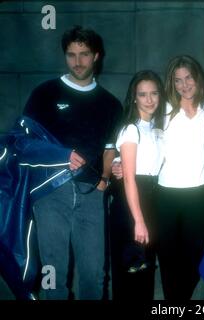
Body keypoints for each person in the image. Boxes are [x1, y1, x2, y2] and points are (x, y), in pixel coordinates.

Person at [23, 25, 123, 299]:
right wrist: (59, 155)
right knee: (53, 273)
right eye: (71, 55)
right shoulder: (44, 93)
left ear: (96, 56)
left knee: (94, 274)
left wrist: (104, 179)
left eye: (84, 54)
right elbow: (24, 142)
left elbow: (109, 148)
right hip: (51, 192)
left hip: (92, 195)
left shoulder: (110, 104)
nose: (78, 61)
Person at [156, 55, 204, 300]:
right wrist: (118, 162)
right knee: (169, 260)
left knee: (194, 261)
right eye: (177, 80)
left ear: (197, 78)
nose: (184, 84)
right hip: (167, 194)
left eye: (188, 77)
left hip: (199, 194)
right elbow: (144, 143)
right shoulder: (163, 112)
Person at [108, 70, 165, 300]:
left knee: (144, 273)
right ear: (134, 97)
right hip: (131, 205)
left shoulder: (156, 128)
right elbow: (130, 178)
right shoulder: (130, 129)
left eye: (154, 93)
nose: (149, 99)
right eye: (143, 94)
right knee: (130, 276)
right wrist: (139, 220)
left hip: (150, 201)